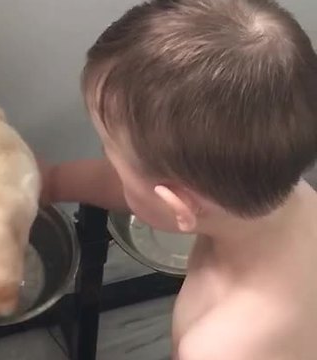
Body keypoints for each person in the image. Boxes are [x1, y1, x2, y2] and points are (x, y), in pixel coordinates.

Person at [38, 0, 317, 359]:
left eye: (111, 156)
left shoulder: (222, 345)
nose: (108, 162)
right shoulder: (281, 188)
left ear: (178, 207)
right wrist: (54, 181)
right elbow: (138, 192)